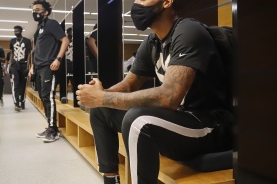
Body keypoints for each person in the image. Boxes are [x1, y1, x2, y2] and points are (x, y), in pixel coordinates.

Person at [76, 0, 233, 183]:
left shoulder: (188, 31)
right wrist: (99, 95)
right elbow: (128, 85)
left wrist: (103, 96)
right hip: (178, 122)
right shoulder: (152, 42)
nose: (136, 3)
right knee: (100, 110)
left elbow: (169, 97)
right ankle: (111, 180)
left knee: (139, 121)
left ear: (166, 2)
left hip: (208, 126)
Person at [29, 0, 69, 143]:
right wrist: (33, 66)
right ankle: (50, 126)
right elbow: (37, 50)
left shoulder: (52, 24)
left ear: (46, 12)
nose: (35, 12)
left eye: (38, 10)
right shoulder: (39, 28)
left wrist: (58, 59)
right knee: (43, 96)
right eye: (33, 10)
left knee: (48, 97)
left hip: (49, 66)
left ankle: (53, 130)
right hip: (39, 67)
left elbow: (65, 40)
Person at [9, 25, 32, 111]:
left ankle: (22, 101)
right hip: (15, 65)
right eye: (14, 31)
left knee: (23, 85)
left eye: (17, 31)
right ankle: (16, 103)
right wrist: (10, 64)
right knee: (16, 84)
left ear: (21, 31)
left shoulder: (27, 41)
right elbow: (12, 52)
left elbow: (29, 54)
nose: (15, 32)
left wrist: (28, 66)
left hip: (24, 64)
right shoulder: (12, 41)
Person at [65, 27, 73, 91]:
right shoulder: (66, 40)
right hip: (67, 61)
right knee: (66, 79)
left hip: (73, 61)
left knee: (73, 79)